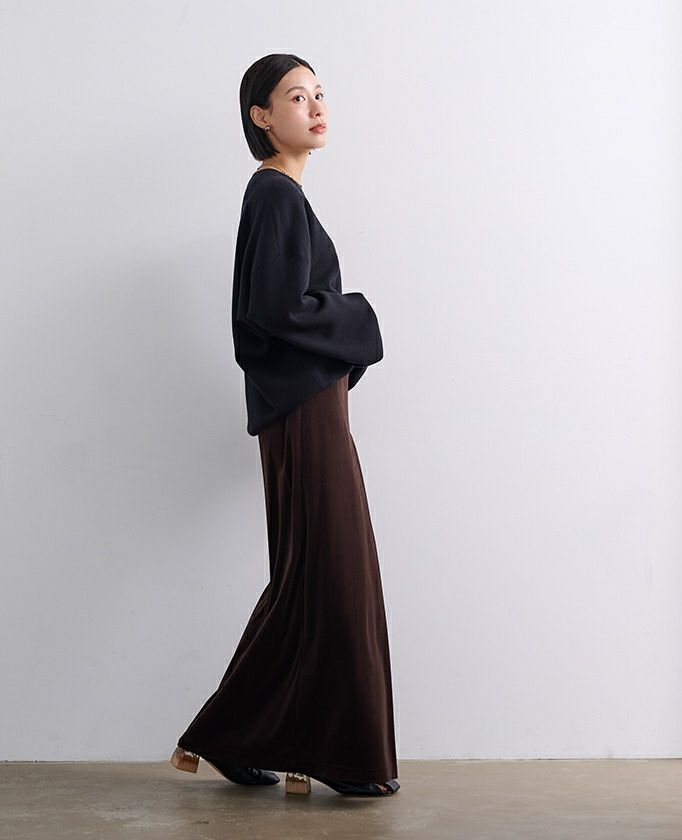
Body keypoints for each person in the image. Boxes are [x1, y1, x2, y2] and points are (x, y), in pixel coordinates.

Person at [170, 54, 399, 798]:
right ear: (262, 117)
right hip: (304, 411)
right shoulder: (273, 193)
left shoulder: (282, 196)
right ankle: (335, 753)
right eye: (297, 97)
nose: (316, 106)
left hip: (308, 406)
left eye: (320, 94)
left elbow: (278, 312)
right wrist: (360, 317)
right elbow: (273, 311)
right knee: (332, 573)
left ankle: (239, 738)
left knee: (314, 574)